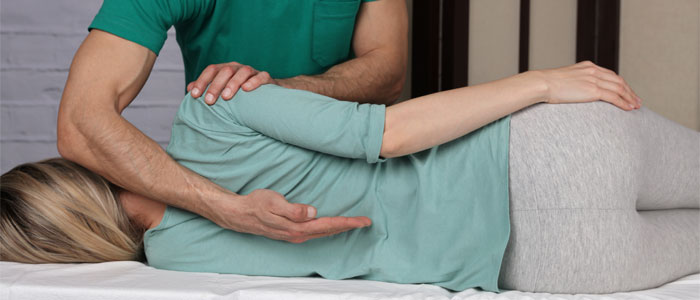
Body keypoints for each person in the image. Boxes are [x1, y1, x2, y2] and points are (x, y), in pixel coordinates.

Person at [2, 62, 698, 293]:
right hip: (552, 151)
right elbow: (387, 135)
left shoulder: (178, 266)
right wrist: (541, 80)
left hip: (551, 265)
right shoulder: (213, 109)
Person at [57, 0, 408, 243]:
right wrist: (223, 207)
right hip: (227, 189)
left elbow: (389, 68)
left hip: (348, 174)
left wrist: (277, 91)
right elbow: (81, 121)